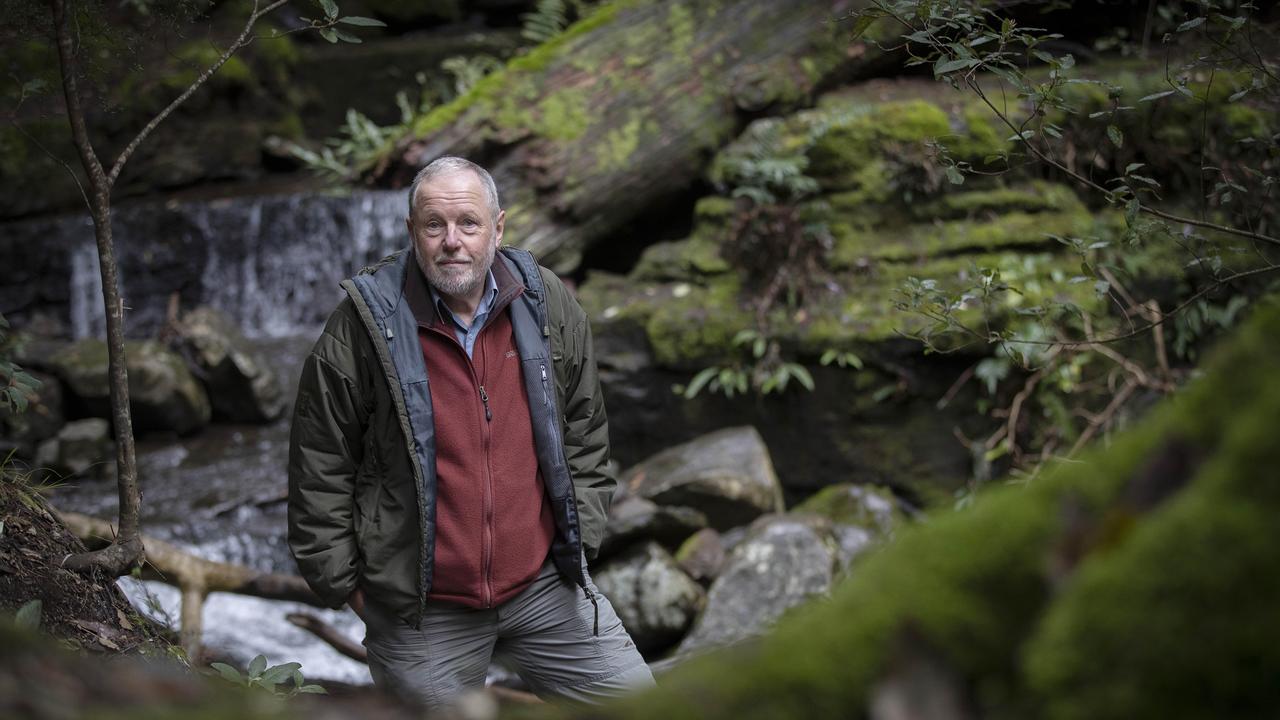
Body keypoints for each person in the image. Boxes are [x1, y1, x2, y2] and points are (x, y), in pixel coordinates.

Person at [287, 156, 654, 707]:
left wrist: (582, 537)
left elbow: (585, 427)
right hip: (423, 609)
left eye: (469, 224)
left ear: (498, 228)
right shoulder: (365, 326)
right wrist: (352, 590)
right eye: (434, 225)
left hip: (544, 588)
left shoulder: (545, 303)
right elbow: (320, 463)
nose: (451, 241)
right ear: (413, 232)